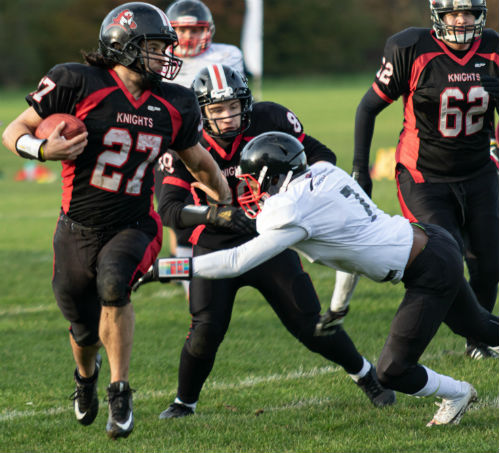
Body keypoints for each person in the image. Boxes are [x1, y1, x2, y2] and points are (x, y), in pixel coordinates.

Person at [137, 131, 499, 427]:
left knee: (391, 371)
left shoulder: (288, 209)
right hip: (433, 244)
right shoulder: (325, 174)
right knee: (480, 327)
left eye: (251, 181)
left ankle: (457, 391)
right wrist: (339, 305)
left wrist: (161, 269)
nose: (249, 189)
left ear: (271, 176)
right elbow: (349, 246)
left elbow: (235, 261)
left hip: (427, 271)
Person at [1, 2, 229, 439]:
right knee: (83, 328)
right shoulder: (76, 82)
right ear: (123, 47)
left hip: (135, 222)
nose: (165, 56)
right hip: (76, 227)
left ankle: (119, 391)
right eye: (154, 47)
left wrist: (225, 200)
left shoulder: (174, 101)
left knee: (114, 285)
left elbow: (198, 162)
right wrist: (43, 151)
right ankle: (85, 378)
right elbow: (12, 131)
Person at [148, 63, 396, 419]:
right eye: (217, 110)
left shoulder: (269, 120)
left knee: (309, 323)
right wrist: (215, 214)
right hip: (216, 242)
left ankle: (365, 374)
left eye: (234, 106)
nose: (228, 117)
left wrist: (292, 197)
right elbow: (170, 210)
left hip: (269, 238)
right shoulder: (182, 143)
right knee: (205, 330)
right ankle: (184, 402)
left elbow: (321, 156)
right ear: (201, 112)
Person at [345, 0, 499, 359]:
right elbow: (368, 107)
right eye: (453, 14)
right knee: (444, 262)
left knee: (489, 263)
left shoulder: (493, 47)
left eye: (469, 13)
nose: (461, 21)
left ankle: (477, 342)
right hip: (424, 175)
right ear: (438, 16)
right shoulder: (411, 48)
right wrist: (359, 170)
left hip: (478, 171)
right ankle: (454, 334)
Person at [155, 0, 245, 297]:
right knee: (176, 213)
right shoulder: (159, 57)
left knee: (228, 207)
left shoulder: (227, 54)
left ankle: (218, 270)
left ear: (208, 30)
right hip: (171, 147)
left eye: (196, 29)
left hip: (213, 144)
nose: (190, 36)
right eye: (182, 30)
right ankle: (188, 282)